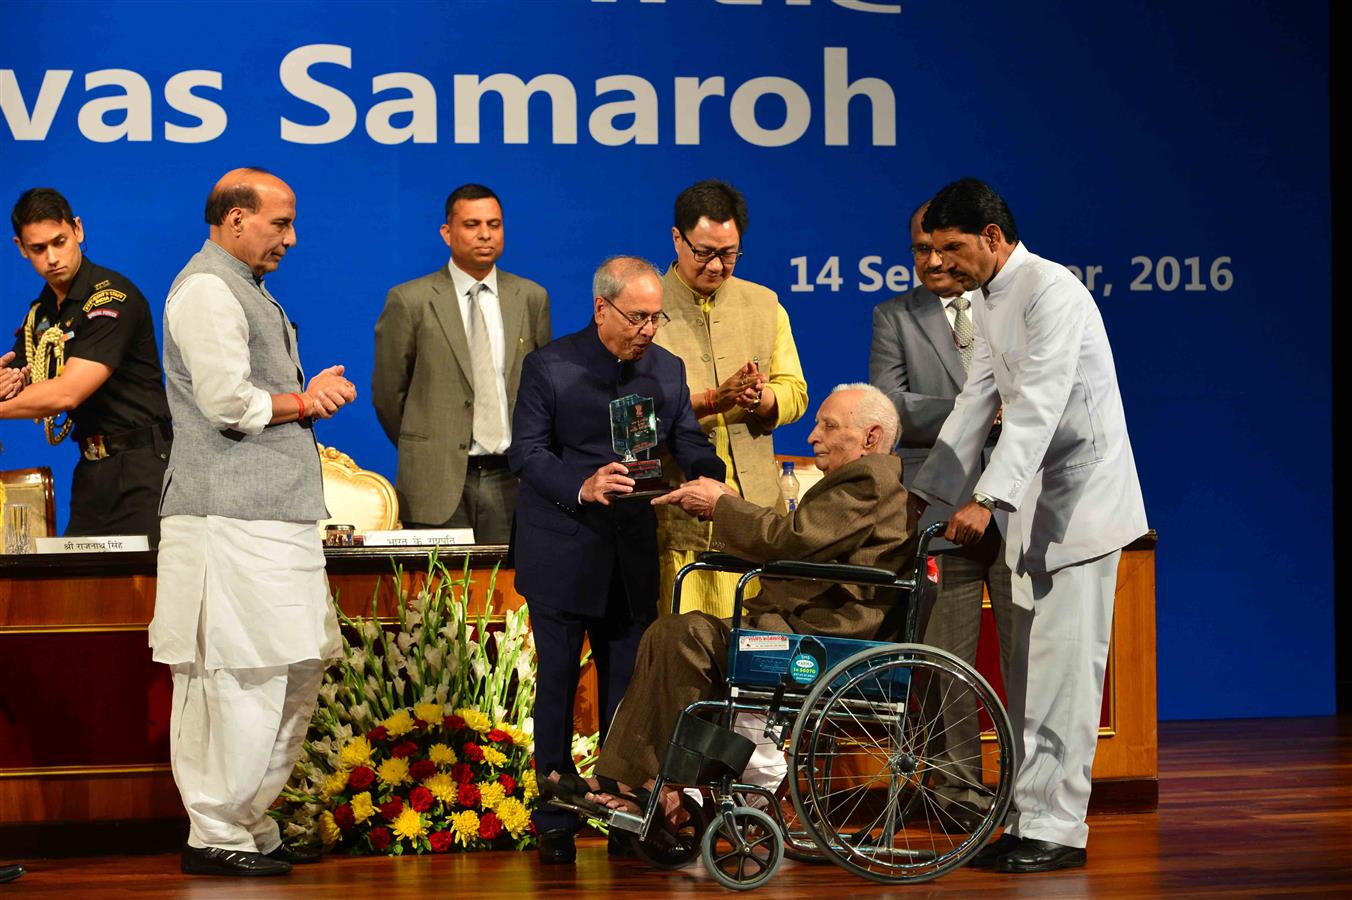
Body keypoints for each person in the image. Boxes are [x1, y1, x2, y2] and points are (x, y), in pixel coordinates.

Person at [911, 178, 1148, 873]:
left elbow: (1039, 405)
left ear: (991, 236)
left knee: (1065, 674)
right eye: (932, 249)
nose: (941, 263)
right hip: (1034, 507)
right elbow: (976, 401)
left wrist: (985, 500)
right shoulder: (986, 300)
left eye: (952, 248)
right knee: (1026, 676)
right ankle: (1024, 816)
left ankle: (1059, 829)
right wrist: (927, 498)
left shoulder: (1054, 293)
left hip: (1081, 506)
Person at [559, 384, 915, 814]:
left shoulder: (867, 479)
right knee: (672, 633)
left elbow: (791, 539)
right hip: (804, 628)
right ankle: (643, 782)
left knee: (685, 635)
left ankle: (659, 786)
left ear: (870, 437)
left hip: (821, 641)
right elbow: (799, 546)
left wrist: (723, 504)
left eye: (828, 426)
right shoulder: (862, 481)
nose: (812, 436)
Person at [149, 167, 357, 877]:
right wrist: (309, 399)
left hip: (271, 519)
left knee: (292, 667)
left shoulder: (244, 289)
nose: (292, 238)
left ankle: (245, 819)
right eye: (281, 222)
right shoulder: (207, 289)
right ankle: (213, 828)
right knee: (237, 675)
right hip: (226, 519)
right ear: (236, 219)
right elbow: (227, 403)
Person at [508, 256, 724, 864]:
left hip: (630, 556)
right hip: (562, 550)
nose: (649, 329)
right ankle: (553, 816)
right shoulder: (550, 366)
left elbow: (687, 437)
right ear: (602, 308)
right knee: (555, 685)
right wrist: (584, 483)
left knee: (628, 693)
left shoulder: (667, 369)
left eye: (657, 317)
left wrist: (710, 477)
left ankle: (626, 812)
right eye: (638, 317)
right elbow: (525, 453)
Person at [870, 201, 1019, 833]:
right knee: (946, 662)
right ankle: (958, 793)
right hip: (938, 508)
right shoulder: (894, 316)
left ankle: (1029, 794)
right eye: (919, 250)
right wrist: (979, 404)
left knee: (1028, 660)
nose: (932, 261)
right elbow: (889, 407)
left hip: (1016, 507)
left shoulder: (1010, 305)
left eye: (943, 249)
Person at [654, 179, 807, 617]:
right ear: (677, 239)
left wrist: (761, 399)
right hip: (677, 515)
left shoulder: (765, 304)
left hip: (753, 513)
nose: (718, 266)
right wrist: (710, 400)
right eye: (704, 252)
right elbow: (632, 414)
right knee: (682, 650)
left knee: (754, 655)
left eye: (729, 253)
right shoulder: (647, 306)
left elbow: (795, 392)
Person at [373, 183, 550, 541]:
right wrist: (429, 445)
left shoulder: (531, 297)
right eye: (472, 225)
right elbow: (389, 395)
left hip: (512, 479)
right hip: (435, 481)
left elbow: (543, 389)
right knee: (437, 595)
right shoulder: (410, 300)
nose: (485, 234)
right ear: (447, 232)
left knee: (510, 594)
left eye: (494, 224)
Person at [0, 188, 172, 544]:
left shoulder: (110, 298)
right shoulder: (41, 313)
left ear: (77, 230)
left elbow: (67, 393)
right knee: (78, 587)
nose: (52, 257)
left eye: (59, 241)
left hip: (143, 470)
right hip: (92, 470)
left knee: (147, 589)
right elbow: (15, 378)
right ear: (20, 247)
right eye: (38, 248)